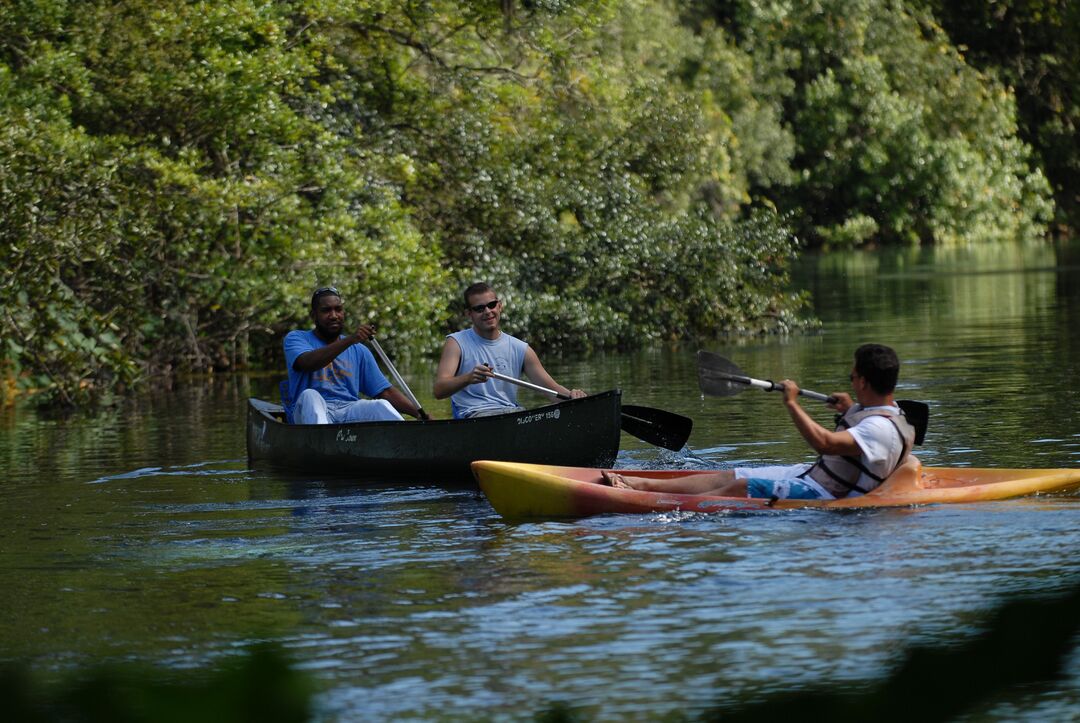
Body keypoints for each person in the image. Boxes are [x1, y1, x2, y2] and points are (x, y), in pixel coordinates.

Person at [604, 344, 917, 500]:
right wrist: (849, 410)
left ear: (862, 381)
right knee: (730, 474)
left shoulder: (878, 429)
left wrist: (792, 403)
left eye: (852, 376)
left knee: (742, 486)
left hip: (824, 493)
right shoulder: (890, 414)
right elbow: (859, 435)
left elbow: (825, 444)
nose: (849, 380)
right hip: (811, 476)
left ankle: (648, 502)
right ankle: (642, 484)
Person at [433, 282, 587, 418]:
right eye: (479, 308)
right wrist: (468, 378)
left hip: (511, 414)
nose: (487, 311)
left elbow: (552, 391)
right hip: (475, 416)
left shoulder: (521, 348)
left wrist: (574, 396)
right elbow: (439, 390)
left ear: (500, 306)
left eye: (491, 305)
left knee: (552, 412)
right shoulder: (456, 342)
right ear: (469, 314)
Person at [283, 286, 427, 424]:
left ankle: (406, 440)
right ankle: (323, 442)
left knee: (380, 405)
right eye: (326, 310)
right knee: (310, 395)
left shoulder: (359, 350)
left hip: (347, 409)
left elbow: (385, 392)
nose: (334, 315)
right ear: (314, 316)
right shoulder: (296, 338)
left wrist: (419, 414)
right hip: (307, 412)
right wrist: (351, 339)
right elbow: (307, 363)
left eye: (338, 309)